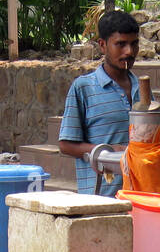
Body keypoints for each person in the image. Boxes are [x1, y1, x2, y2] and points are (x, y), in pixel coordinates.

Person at [57, 11, 141, 196]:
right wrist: (109, 152)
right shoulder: (84, 88)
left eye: (134, 44)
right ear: (103, 45)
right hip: (100, 200)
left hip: (140, 198)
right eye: (121, 44)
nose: (129, 51)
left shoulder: (142, 88)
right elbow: (66, 145)